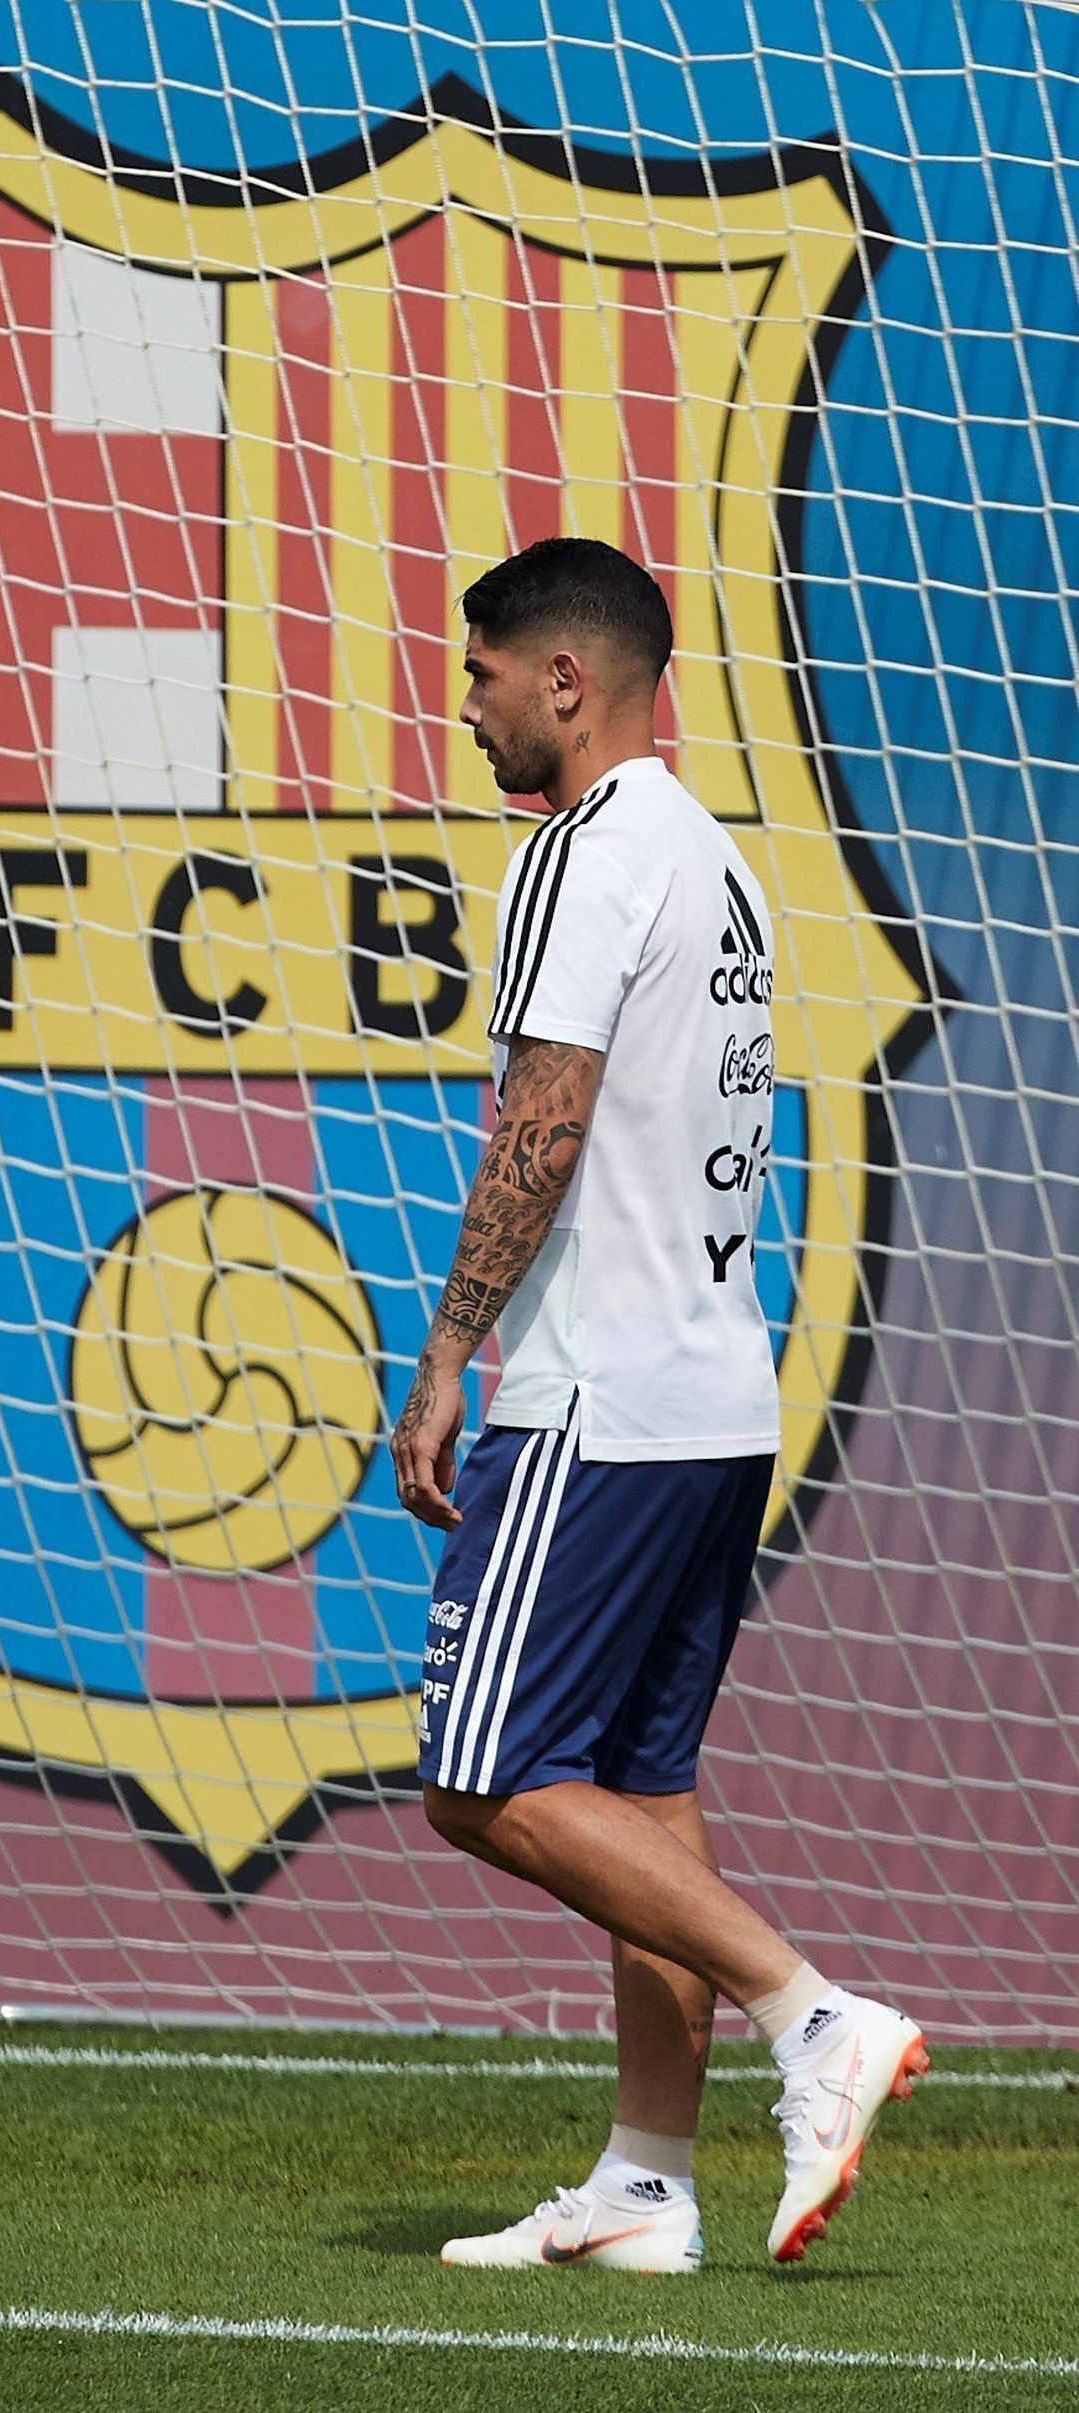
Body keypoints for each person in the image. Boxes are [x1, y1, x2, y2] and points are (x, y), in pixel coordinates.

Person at [391, 536, 926, 2273]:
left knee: (477, 1777)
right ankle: (645, 2182)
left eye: (482, 676)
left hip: (597, 1398)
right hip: (714, 1396)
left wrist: (449, 1349)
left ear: (566, 681)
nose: (464, 708)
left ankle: (814, 2014)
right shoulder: (714, 857)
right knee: (640, 1788)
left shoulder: (579, 851)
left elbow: (543, 1118)